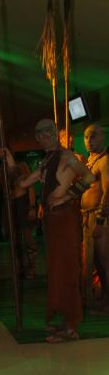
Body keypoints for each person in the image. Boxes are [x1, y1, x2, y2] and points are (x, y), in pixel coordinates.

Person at [17, 119, 94, 342]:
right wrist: (10, 163)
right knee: (57, 271)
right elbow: (24, 183)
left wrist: (68, 195)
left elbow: (89, 177)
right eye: (38, 134)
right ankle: (64, 320)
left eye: (45, 133)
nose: (41, 137)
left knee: (67, 269)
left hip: (64, 218)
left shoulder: (66, 156)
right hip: (52, 220)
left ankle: (71, 326)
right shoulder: (48, 159)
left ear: (53, 133)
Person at [0, 147, 37, 279]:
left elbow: (30, 187)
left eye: (3, 151)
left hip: (22, 202)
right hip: (10, 205)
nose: (1, 154)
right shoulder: (1, 170)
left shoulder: (21, 166)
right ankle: (19, 267)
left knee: (27, 236)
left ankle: (32, 267)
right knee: (14, 238)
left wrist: (32, 206)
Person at [82, 124, 109, 311]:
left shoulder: (105, 161)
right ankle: (103, 296)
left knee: (104, 260)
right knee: (96, 263)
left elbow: (108, 191)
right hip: (87, 217)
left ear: (102, 137)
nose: (88, 140)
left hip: (100, 217)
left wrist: (100, 219)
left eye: (93, 136)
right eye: (86, 137)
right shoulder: (90, 162)